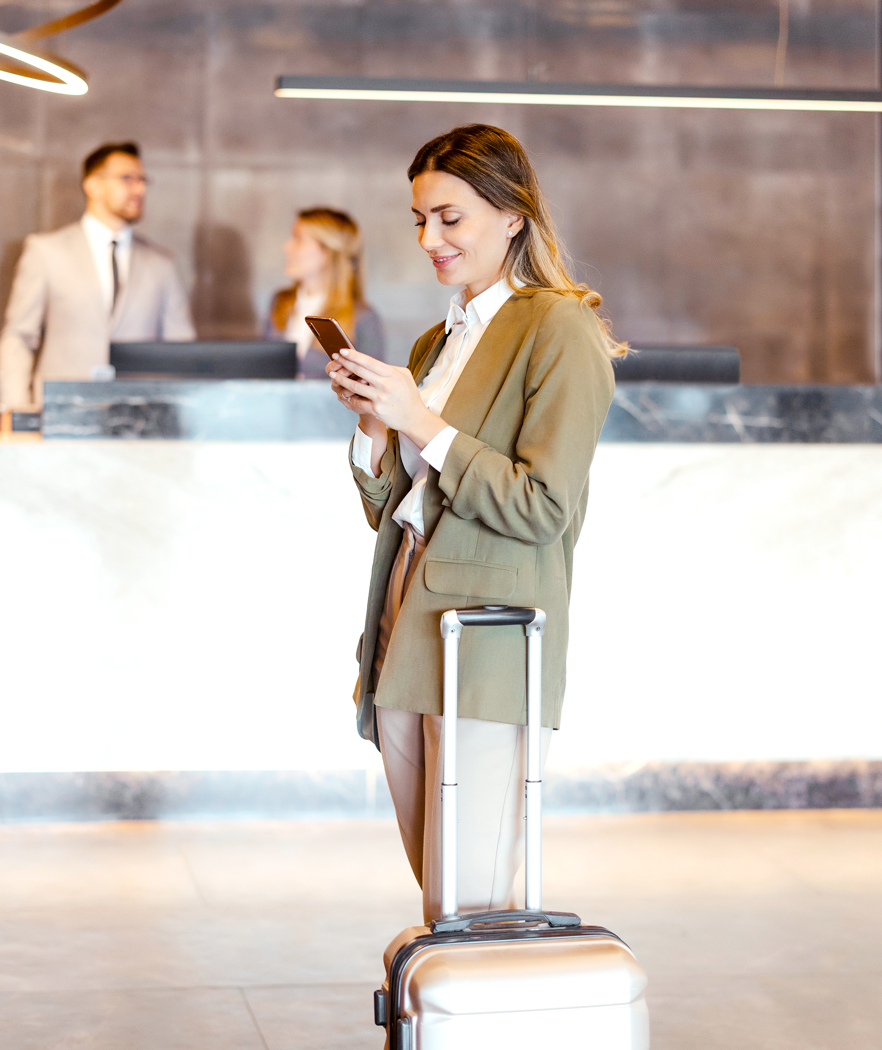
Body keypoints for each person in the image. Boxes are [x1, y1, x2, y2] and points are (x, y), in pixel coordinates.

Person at [328, 125, 622, 923]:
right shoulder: (439, 339)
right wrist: (376, 424)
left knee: (471, 888)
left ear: (512, 214)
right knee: (441, 886)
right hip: (406, 610)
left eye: (450, 218)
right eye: (420, 220)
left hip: (489, 632)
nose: (430, 239)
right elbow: (394, 505)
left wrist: (421, 420)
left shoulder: (559, 328)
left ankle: (471, 997)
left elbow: (541, 505)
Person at [0, 142, 195, 410]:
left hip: (138, 416)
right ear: (93, 185)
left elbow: (180, 352)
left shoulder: (162, 264)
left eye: (142, 180)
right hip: (62, 413)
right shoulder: (46, 252)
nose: (140, 189)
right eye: (127, 179)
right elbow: (18, 337)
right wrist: (16, 409)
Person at [264, 207, 385, 378]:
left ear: (328, 251)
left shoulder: (363, 318)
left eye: (298, 239)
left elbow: (373, 383)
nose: (287, 247)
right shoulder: (280, 303)